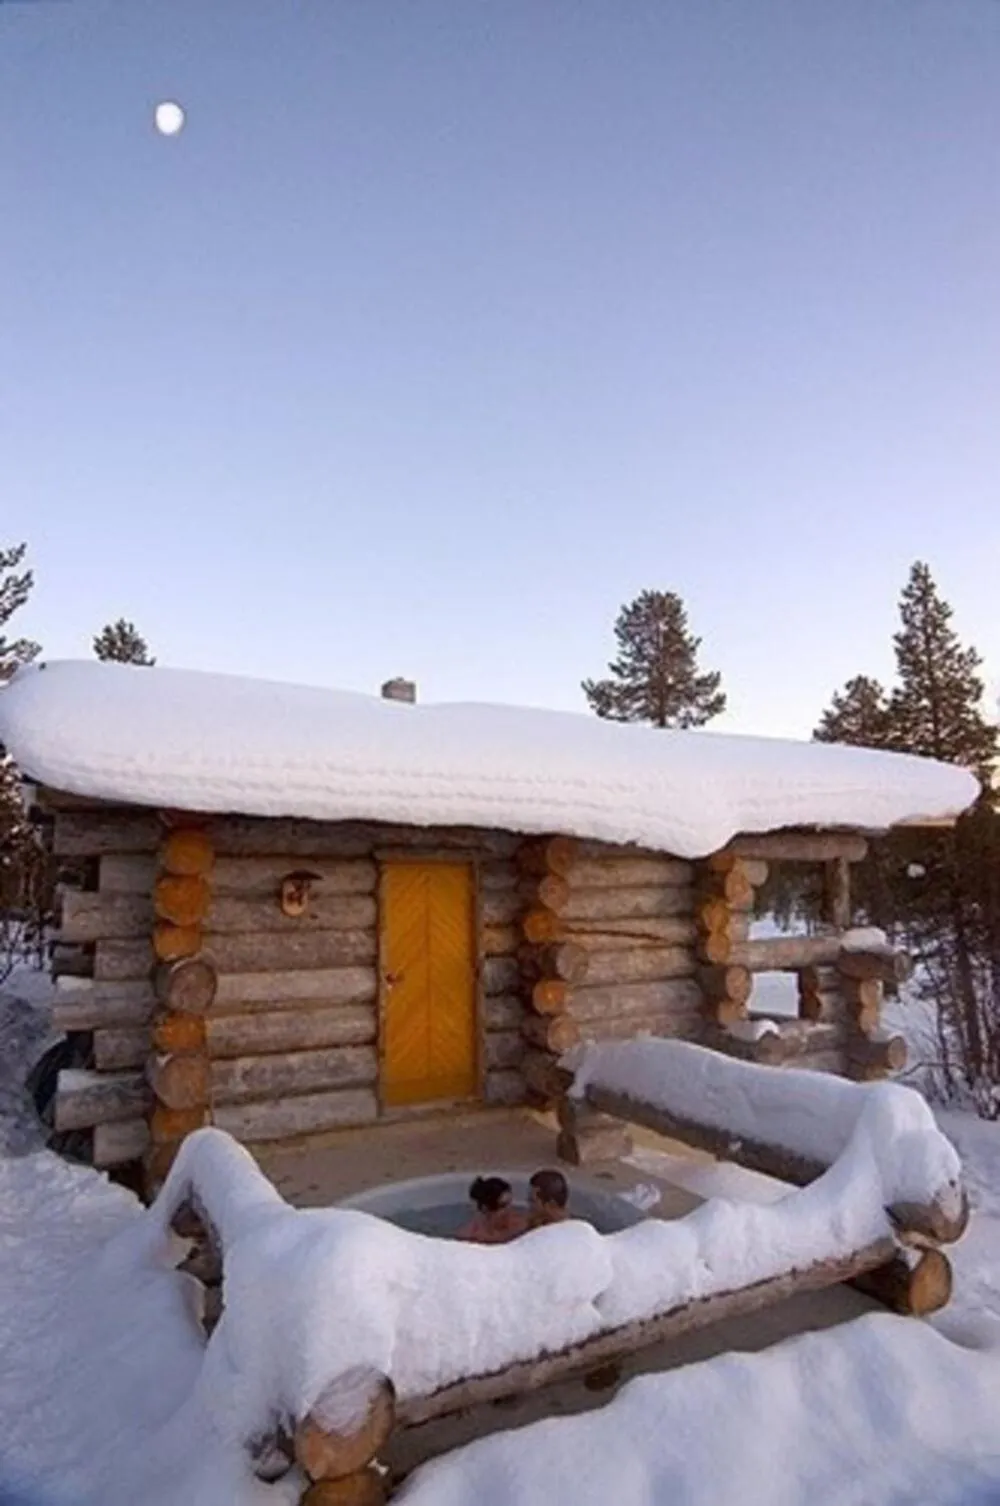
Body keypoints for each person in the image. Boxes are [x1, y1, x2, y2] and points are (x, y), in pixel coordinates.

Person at [457, 1176, 528, 1244]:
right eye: (502, 1206)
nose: (509, 1210)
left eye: (509, 1203)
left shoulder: (520, 1227)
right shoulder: (469, 1236)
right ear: (485, 1209)